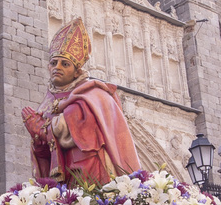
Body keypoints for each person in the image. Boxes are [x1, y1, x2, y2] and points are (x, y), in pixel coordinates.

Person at [22, 17, 139, 183]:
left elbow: (83, 122)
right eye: (54, 63)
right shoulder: (47, 102)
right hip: (63, 176)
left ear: (77, 72)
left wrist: (44, 129)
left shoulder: (92, 93)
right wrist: (38, 140)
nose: (57, 68)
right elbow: (46, 153)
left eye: (65, 64)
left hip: (89, 166)